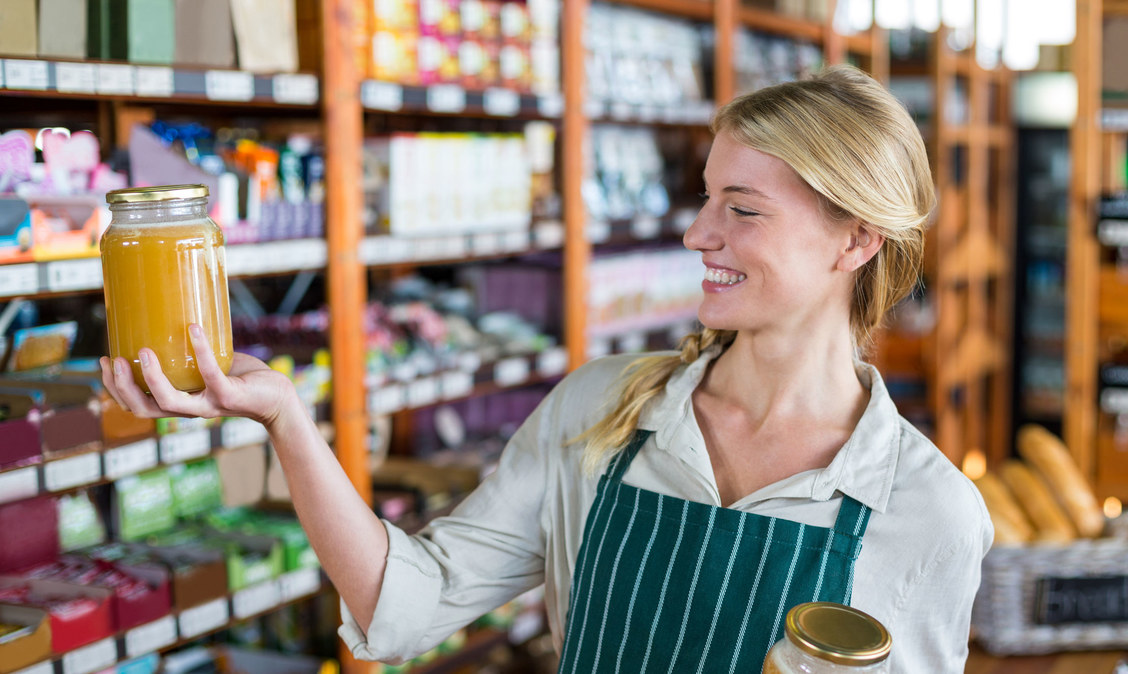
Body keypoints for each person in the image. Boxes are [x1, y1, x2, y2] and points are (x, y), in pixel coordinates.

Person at [100, 65, 992, 673]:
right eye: (705, 197)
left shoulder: (926, 511)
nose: (697, 234)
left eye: (742, 209)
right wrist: (288, 419)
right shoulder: (600, 413)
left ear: (857, 239)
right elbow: (405, 608)